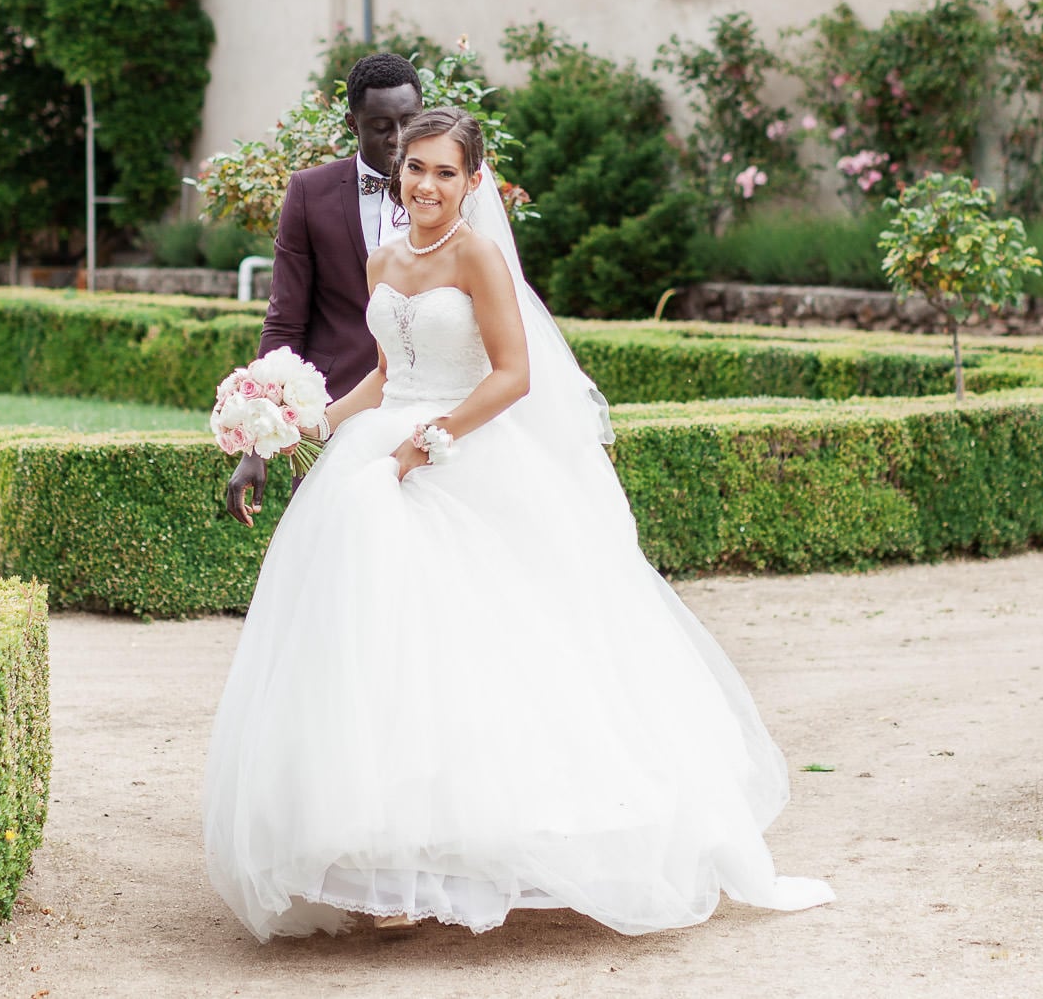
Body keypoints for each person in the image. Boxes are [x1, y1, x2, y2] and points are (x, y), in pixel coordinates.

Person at [202, 107, 833, 940]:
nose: (426, 184)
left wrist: (436, 440)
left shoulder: (480, 256)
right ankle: (385, 857)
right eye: (415, 168)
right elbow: (386, 376)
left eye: (444, 172)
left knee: (492, 654)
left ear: (472, 180)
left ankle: (479, 850)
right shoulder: (385, 257)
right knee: (377, 655)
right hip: (381, 452)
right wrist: (306, 420)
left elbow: (513, 375)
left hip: (463, 456)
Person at [224, 52, 422, 525]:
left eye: (408, 121)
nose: (398, 139)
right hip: (334, 417)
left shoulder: (450, 190)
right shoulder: (310, 193)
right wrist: (258, 440)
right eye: (380, 126)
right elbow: (284, 321)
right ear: (352, 123)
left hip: (431, 412)